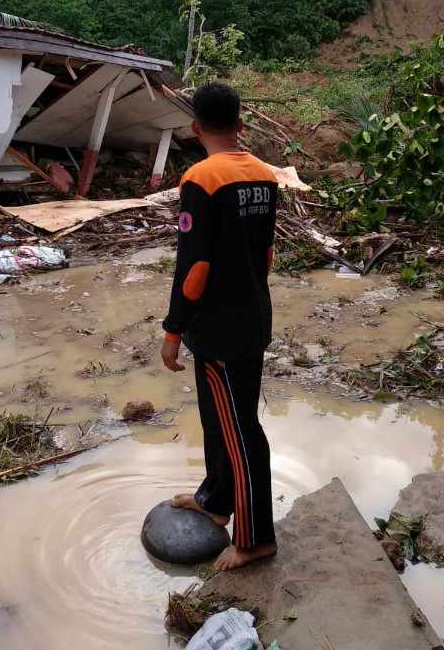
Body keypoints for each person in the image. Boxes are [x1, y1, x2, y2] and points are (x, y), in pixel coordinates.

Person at [161, 82, 278, 570]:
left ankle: (255, 539)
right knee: (221, 420)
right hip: (251, 314)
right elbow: (265, 254)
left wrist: (173, 331)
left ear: (194, 127)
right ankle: (214, 500)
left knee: (241, 430)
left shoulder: (201, 179)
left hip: (221, 329)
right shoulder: (264, 175)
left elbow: (195, 269)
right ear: (240, 124)